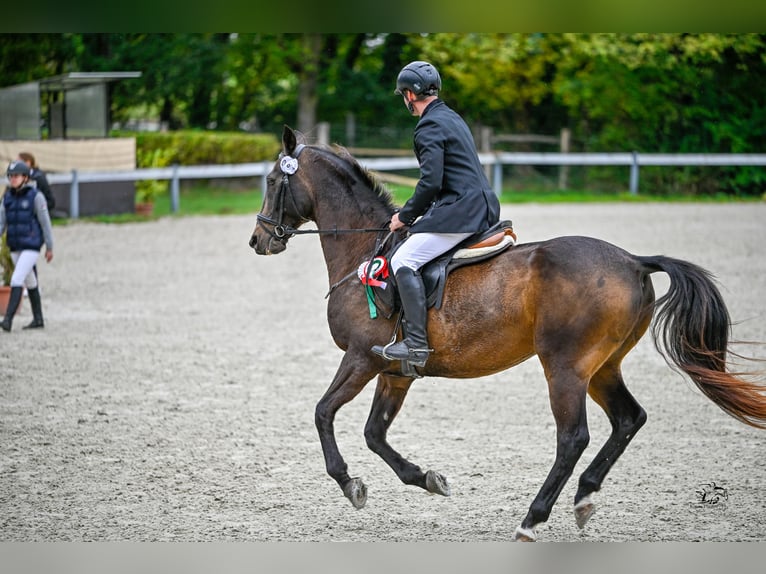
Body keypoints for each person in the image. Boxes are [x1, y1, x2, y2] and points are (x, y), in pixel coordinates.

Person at [371, 61, 501, 367]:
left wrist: (405, 216)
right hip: (481, 205)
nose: (406, 101)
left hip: (462, 211)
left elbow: (431, 182)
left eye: (404, 95)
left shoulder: (428, 125)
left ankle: (416, 344)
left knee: (403, 259)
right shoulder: (450, 117)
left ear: (409, 95)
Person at [1, 160, 54, 332]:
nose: (12, 179)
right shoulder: (7, 197)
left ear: (25, 177)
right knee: (30, 281)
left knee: (17, 279)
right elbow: (1, 222)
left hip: (31, 245)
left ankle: (7, 320)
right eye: (10, 176)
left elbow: (45, 223)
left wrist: (49, 246)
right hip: (15, 245)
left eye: (16, 176)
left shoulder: (36, 196)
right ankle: (38, 319)